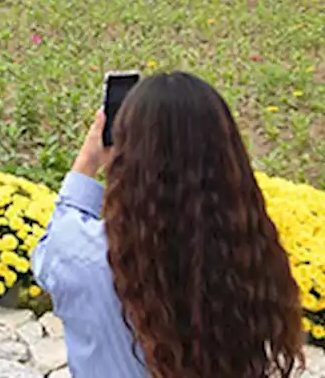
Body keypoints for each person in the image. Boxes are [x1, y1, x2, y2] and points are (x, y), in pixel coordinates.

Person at [33, 72, 303, 378]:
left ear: (126, 159)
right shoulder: (246, 252)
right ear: (227, 156)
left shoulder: (81, 256)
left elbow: (48, 256)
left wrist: (86, 161)